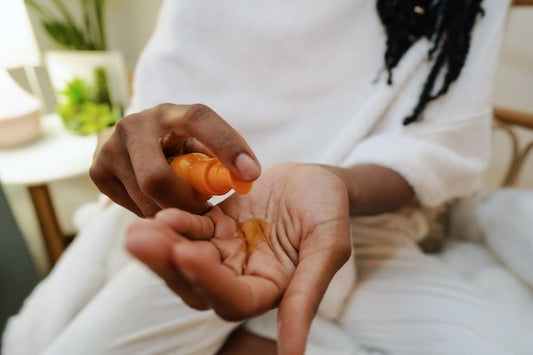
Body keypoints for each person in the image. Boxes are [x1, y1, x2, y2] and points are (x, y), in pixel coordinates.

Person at [4, 0, 533, 354]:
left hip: (361, 213)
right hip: (196, 219)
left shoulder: (461, 11)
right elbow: (154, 105)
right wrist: (125, 140)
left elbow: (435, 148)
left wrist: (334, 183)